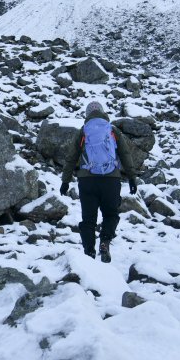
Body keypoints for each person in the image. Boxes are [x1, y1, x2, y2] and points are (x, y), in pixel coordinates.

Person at [59, 101, 137, 262]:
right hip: (111, 180)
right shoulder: (112, 130)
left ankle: (89, 252)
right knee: (111, 215)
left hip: (87, 181)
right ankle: (105, 242)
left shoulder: (83, 132)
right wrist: (131, 178)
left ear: (87, 115)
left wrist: (65, 181)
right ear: (102, 112)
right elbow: (125, 155)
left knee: (88, 219)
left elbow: (71, 158)